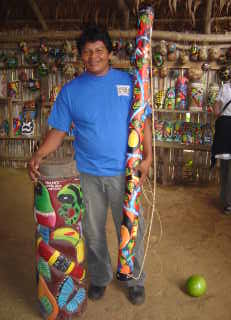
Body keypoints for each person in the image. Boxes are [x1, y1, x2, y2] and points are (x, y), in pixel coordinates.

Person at [28, 25, 152, 305]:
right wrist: (39, 155)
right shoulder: (71, 91)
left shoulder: (131, 82)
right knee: (93, 231)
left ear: (110, 53)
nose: (93, 56)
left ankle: (134, 279)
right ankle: (99, 277)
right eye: (87, 52)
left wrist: (148, 158)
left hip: (126, 172)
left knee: (131, 228)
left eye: (99, 50)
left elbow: (143, 122)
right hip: (87, 174)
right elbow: (58, 132)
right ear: (80, 56)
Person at [212, 60, 231, 215]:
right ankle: (225, 200)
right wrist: (216, 110)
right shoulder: (226, 87)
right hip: (225, 130)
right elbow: (216, 106)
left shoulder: (227, 87)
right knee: (224, 167)